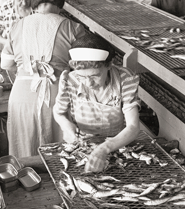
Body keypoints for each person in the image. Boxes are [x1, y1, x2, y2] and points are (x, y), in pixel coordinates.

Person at [1, 0, 87, 158]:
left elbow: (6, 64)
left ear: (35, 4)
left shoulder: (17, 26)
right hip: (57, 95)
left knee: (24, 148)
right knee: (60, 153)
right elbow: (84, 68)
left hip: (22, 95)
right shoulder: (73, 28)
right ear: (60, 6)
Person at [53, 32, 141, 173]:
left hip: (118, 145)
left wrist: (104, 148)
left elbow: (133, 126)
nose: (89, 83)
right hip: (82, 147)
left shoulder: (124, 79)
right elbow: (58, 112)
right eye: (82, 76)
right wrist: (66, 125)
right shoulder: (69, 81)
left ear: (109, 65)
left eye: (95, 75)